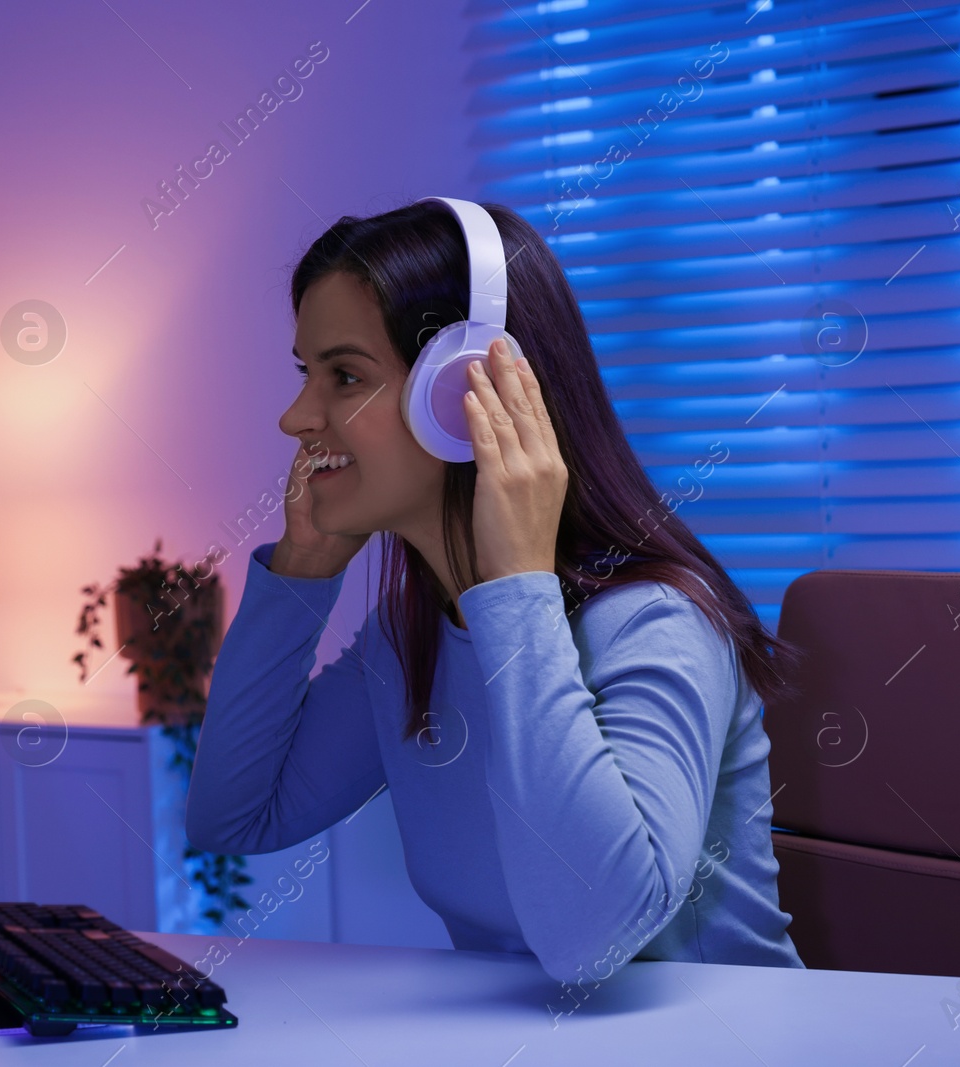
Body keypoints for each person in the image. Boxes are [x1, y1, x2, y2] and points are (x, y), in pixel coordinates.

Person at [184, 199, 807, 989]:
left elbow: (592, 943)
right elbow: (235, 815)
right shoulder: (410, 635)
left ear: (459, 395)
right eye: (306, 374)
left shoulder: (657, 622)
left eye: (344, 375)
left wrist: (516, 587)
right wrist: (302, 573)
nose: (295, 417)